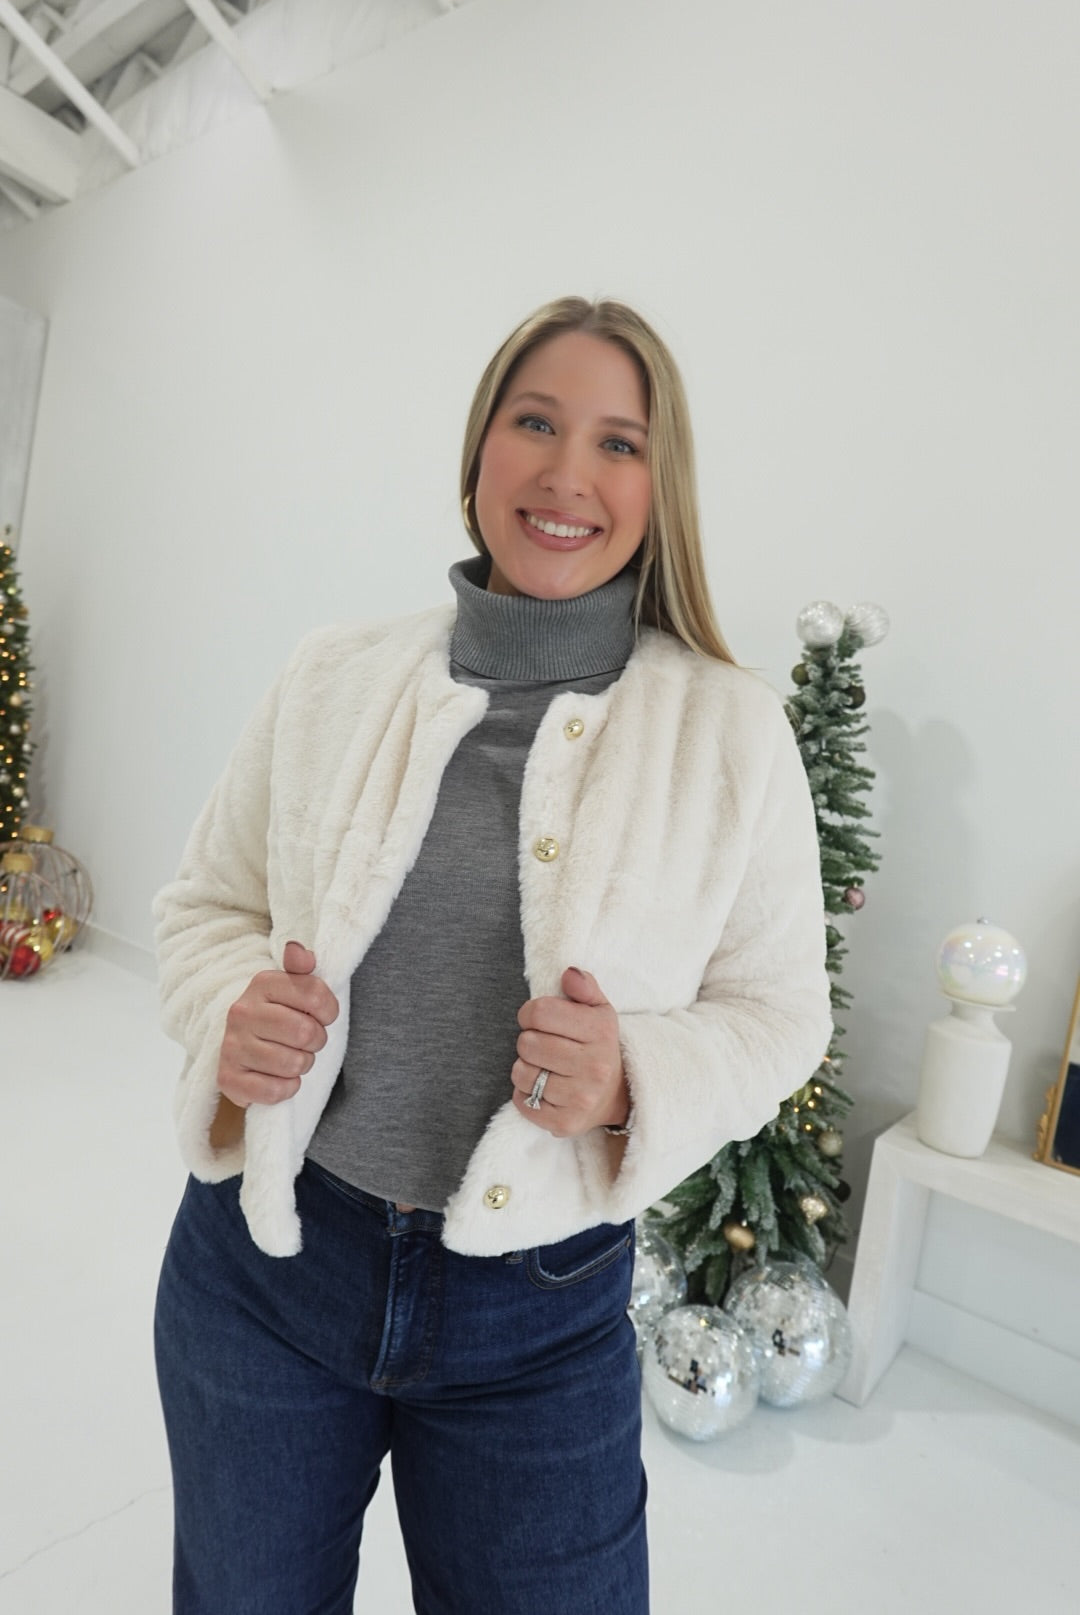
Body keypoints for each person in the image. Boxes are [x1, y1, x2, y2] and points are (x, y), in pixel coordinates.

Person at [152, 294, 833, 1615]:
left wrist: (632, 1077)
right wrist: (231, 1007)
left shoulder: (732, 732)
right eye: (535, 423)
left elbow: (779, 1012)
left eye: (618, 443)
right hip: (266, 1275)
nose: (569, 472)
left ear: (659, 486)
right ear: (478, 453)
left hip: (539, 1317)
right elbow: (205, 906)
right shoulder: (330, 674)